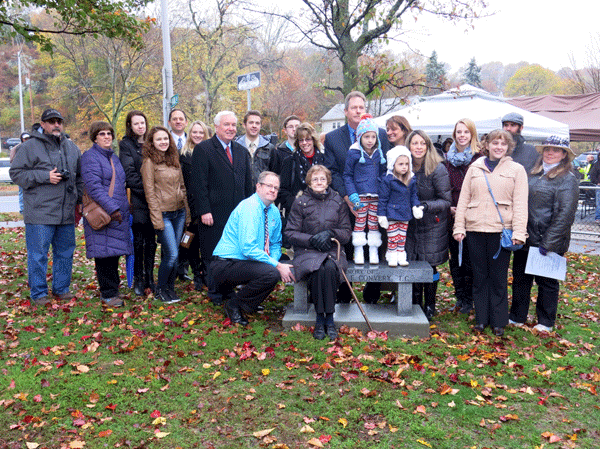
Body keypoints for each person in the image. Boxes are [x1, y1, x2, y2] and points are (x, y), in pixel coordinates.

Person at [453, 130, 528, 336]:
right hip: (475, 228)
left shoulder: (517, 170)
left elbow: (521, 203)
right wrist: (459, 227)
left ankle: (498, 321)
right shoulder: (474, 168)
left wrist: (519, 232)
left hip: (501, 231)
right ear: (487, 145)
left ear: (508, 147)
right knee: (479, 276)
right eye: (495, 143)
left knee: (498, 277)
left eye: (503, 144)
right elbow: (463, 200)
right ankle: (481, 318)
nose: (499, 147)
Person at [10, 108, 83, 306]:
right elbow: (16, 174)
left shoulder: (71, 147)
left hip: (66, 212)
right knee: (38, 255)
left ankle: (61, 289)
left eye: (59, 121)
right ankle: (39, 293)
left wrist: (79, 202)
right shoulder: (29, 147)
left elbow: (79, 178)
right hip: (40, 212)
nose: (56, 124)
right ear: (42, 124)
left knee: (65, 253)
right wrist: (44, 176)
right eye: (51, 121)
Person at [324, 91, 390, 303]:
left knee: (374, 244)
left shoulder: (379, 134)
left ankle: (372, 294)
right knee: (347, 248)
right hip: (346, 204)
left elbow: (385, 168)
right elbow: (332, 171)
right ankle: (345, 294)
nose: (358, 111)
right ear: (345, 112)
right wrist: (347, 198)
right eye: (354, 108)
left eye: (361, 107)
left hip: (375, 202)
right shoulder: (334, 138)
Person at [509, 136, 578, 333]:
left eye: (556, 150)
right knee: (521, 278)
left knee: (547, 283)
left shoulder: (567, 179)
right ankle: (517, 316)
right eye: (547, 149)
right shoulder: (533, 174)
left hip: (549, 240)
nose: (550, 152)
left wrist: (548, 242)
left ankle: (545, 321)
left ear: (564, 154)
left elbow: (565, 215)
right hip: (526, 236)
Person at [211, 171, 295, 325]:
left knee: (274, 269)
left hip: (247, 262)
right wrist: (275, 266)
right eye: (269, 186)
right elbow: (247, 248)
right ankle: (233, 305)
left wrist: (274, 262)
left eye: (276, 188)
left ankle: (248, 303)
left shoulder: (274, 211)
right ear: (258, 186)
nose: (273, 190)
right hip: (226, 263)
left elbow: (276, 243)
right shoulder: (249, 207)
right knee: (271, 273)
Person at [191, 111, 253, 305]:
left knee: (233, 254)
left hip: (236, 214)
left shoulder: (241, 151)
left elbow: (247, 184)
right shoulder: (204, 149)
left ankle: (228, 290)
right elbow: (198, 184)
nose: (231, 128)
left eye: (234, 125)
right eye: (226, 124)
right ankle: (215, 293)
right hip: (213, 214)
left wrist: (249, 210)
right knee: (213, 254)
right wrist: (204, 210)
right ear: (216, 127)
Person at [285, 165, 351, 339]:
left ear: (328, 181)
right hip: (307, 250)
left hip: (332, 249)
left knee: (329, 268)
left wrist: (331, 233)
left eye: (322, 179)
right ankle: (320, 319)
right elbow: (290, 233)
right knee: (317, 269)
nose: (319, 182)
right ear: (309, 182)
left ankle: (328, 318)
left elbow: (346, 232)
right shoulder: (300, 202)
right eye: (315, 179)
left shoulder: (338, 201)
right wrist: (311, 239)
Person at [81, 121, 132, 307]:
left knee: (113, 254)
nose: (106, 137)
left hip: (117, 214)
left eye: (109, 133)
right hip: (105, 213)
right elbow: (94, 188)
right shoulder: (90, 157)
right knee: (104, 256)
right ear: (95, 137)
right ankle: (108, 294)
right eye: (102, 134)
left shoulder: (113, 158)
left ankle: (113, 290)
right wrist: (113, 208)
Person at [141, 126, 191, 304]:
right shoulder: (149, 163)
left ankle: (170, 288)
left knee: (175, 254)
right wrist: (157, 220)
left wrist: (187, 214)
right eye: (158, 139)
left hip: (178, 212)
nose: (163, 142)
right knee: (171, 255)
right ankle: (161, 289)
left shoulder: (173, 159)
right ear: (152, 142)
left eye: (165, 138)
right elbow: (150, 193)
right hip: (163, 214)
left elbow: (182, 187)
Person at [405, 130, 451, 320]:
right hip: (410, 225)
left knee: (430, 266)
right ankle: (415, 302)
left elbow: (445, 201)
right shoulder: (403, 166)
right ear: (408, 146)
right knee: (413, 264)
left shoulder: (437, 168)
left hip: (432, 224)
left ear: (428, 146)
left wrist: (425, 206)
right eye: (414, 143)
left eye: (422, 143)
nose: (418, 147)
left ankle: (430, 304)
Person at [445, 119, 483, 314]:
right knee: (455, 260)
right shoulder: (447, 160)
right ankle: (459, 297)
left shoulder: (479, 159)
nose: (462, 135)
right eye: (459, 132)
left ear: (472, 134)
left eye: (466, 132)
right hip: (452, 217)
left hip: (473, 216)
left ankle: (470, 300)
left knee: (469, 260)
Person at [119, 110, 156, 297]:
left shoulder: (151, 142)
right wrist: (149, 190)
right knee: (139, 241)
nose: (140, 126)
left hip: (154, 201)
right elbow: (129, 174)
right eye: (136, 123)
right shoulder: (126, 145)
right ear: (130, 126)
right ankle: (139, 279)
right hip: (138, 198)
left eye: (143, 123)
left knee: (151, 241)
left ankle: (150, 277)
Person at [343, 114, 387, 264]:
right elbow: (347, 175)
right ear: (360, 136)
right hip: (360, 196)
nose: (370, 140)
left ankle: (374, 251)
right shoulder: (353, 152)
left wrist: (382, 188)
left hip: (376, 196)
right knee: (360, 223)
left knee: (373, 224)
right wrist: (352, 193)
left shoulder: (379, 153)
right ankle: (359, 251)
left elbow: (383, 173)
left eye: (373, 137)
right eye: (366, 136)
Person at [179, 120, 213, 291]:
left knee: (206, 242)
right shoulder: (183, 155)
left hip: (207, 204)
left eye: (201, 132)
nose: (198, 135)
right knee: (191, 242)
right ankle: (196, 274)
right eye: (195, 132)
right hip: (190, 205)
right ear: (190, 134)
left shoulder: (211, 152)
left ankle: (207, 273)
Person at [377, 146, 422, 267]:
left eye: (407, 164)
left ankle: (401, 254)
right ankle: (392, 254)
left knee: (402, 237)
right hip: (391, 214)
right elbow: (383, 199)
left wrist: (416, 206)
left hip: (405, 213)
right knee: (393, 236)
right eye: (401, 164)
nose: (404, 167)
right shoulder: (388, 180)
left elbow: (413, 195)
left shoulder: (411, 179)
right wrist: (381, 215)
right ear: (393, 164)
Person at [277, 122, 326, 215]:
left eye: (308, 139)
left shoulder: (324, 159)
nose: (304, 143)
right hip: (298, 213)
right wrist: (297, 205)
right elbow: (282, 191)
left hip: (322, 212)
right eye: (301, 140)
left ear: (314, 140)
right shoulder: (290, 161)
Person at [234, 110, 278, 185]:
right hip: (241, 193)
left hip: (262, 193)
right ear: (244, 125)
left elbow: (275, 174)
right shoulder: (235, 147)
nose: (254, 126)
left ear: (260, 126)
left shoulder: (269, 148)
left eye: (257, 123)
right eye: (251, 122)